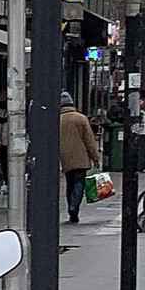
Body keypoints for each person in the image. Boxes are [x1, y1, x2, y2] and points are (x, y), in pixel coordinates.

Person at [59, 93, 101, 225]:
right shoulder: (81, 119)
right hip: (81, 157)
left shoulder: (57, 120)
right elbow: (89, 140)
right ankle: (74, 207)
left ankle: (71, 209)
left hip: (65, 158)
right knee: (79, 183)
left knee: (69, 184)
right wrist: (95, 158)